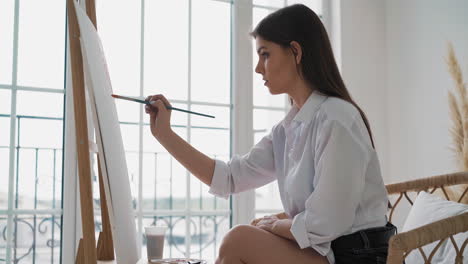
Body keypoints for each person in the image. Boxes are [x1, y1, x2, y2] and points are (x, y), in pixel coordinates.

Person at [145, 4, 394, 264]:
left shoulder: (337, 118)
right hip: (324, 252)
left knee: (239, 239)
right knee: (241, 238)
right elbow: (229, 177)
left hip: (355, 257)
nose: (258, 68)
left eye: (265, 55)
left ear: (296, 52)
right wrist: (165, 134)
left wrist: (274, 225)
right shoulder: (286, 130)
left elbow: (325, 223)